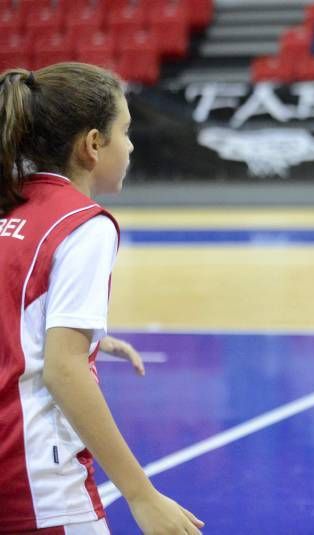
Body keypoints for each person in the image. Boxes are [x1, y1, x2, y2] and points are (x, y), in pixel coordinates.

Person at [0, 63, 204, 534]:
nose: (131, 146)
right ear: (93, 144)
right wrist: (142, 494)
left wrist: (88, 334)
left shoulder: (11, 204)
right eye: (125, 131)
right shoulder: (84, 225)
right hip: (41, 485)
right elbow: (63, 369)